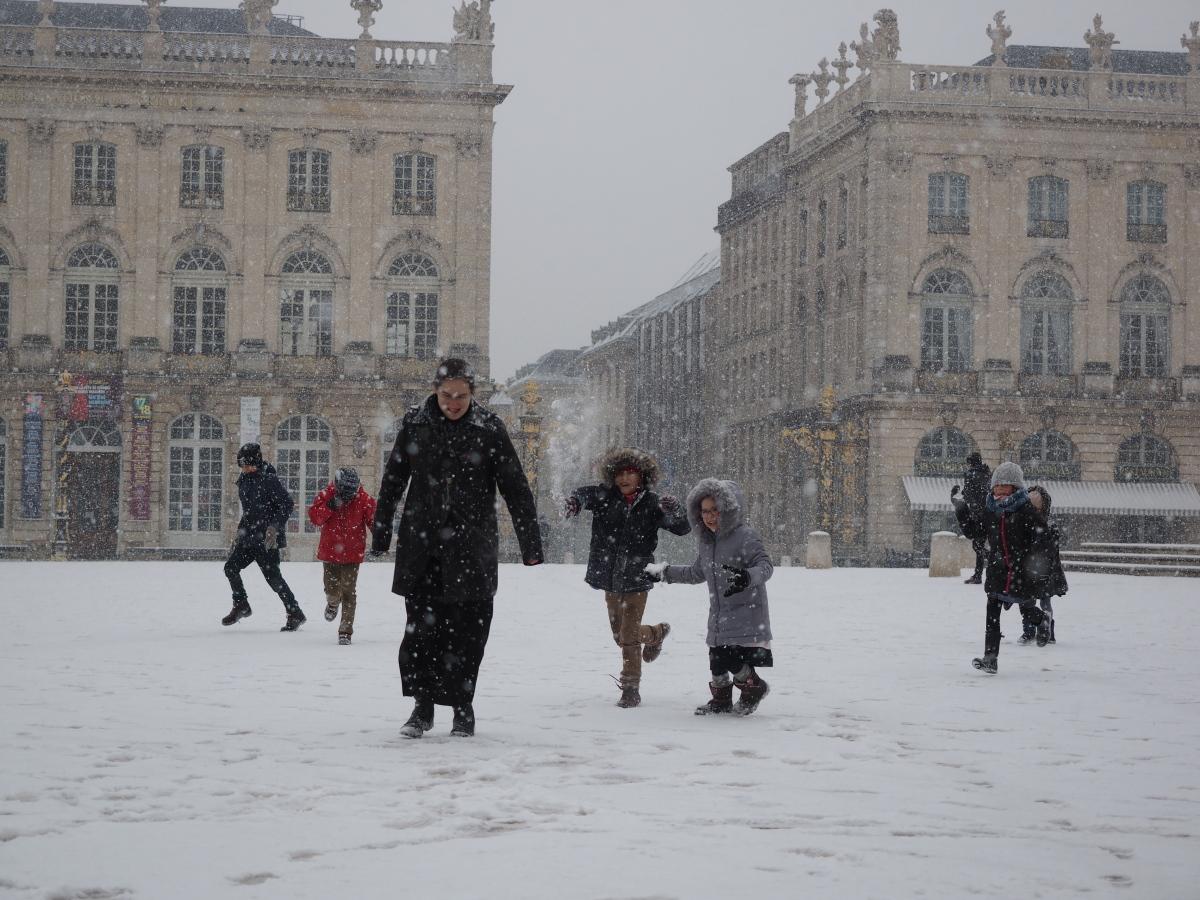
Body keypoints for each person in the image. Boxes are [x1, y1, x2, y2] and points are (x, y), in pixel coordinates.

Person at [372, 358, 543, 739]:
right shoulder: (415, 424)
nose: (453, 403)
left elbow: (515, 487)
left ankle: (463, 708)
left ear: (472, 394)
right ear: (435, 391)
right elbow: (392, 481)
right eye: (447, 395)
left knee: (468, 632)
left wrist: (530, 543)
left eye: (461, 396)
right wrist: (381, 533)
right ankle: (422, 707)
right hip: (423, 547)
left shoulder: (489, 429)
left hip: (471, 547)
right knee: (421, 632)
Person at [563, 448, 691, 708]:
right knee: (620, 635)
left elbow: (682, 528)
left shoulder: (653, 503)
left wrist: (675, 511)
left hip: (637, 577)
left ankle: (630, 688)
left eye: (630, 474)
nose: (624, 479)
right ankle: (657, 633)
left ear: (642, 477)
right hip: (610, 577)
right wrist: (574, 503)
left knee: (629, 635)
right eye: (620, 474)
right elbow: (582, 495)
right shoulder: (604, 496)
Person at [647, 479, 774, 716]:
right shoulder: (706, 540)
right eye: (705, 511)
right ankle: (721, 699)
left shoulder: (745, 536)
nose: (710, 517)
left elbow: (766, 566)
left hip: (747, 610)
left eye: (715, 510)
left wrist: (748, 577)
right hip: (720, 612)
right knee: (716, 658)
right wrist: (665, 573)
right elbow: (697, 573)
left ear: (728, 509)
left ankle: (753, 687)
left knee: (731, 657)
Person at [952, 461, 1051, 674]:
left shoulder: (1025, 510)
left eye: (1003, 486)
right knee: (992, 614)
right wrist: (961, 511)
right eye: (996, 485)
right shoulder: (991, 508)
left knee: (1024, 604)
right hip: (997, 569)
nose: (998, 490)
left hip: (1019, 570)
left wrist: (1035, 561)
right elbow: (975, 531)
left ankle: (1042, 619)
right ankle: (990, 658)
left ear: (1015, 487)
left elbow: (1042, 535)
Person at [222, 442, 306, 632]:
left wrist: (274, 527)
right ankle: (241, 604)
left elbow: (287, 504)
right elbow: (249, 511)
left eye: (247, 464)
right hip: (248, 536)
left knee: (273, 578)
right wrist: (239, 533)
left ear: (256, 462)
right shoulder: (244, 479)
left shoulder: (269, 480)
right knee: (230, 568)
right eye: (241, 465)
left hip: (267, 539)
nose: (244, 468)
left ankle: (295, 613)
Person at [307, 467, 377, 646]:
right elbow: (315, 518)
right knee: (331, 587)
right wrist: (329, 506)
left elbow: (375, 522)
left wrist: (380, 541)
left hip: (353, 555)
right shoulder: (327, 495)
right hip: (330, 552)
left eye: (351, 492)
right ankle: (332, 602)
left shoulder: (363, 499)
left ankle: (345, 630)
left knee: (348, 591)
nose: (348, 496)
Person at [1020, 485, 1067, 645]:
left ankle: (1047, 631)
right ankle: (1029, 631)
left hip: (1045, 570)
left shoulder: (1048, 525)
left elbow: (1052, 549)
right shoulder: (1025, 523)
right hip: (1029, 569)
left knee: (1044, 602)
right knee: (1027, 602)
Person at [961, 451, 992, 584]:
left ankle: (982, 570)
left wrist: (965, 495)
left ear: (971, 463)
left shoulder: (970, 474)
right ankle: (982, 571)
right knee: (981, 543)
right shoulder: (987, 474)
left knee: (977, 545)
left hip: (977, 514)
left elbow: (968, 495)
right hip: (989, 513)